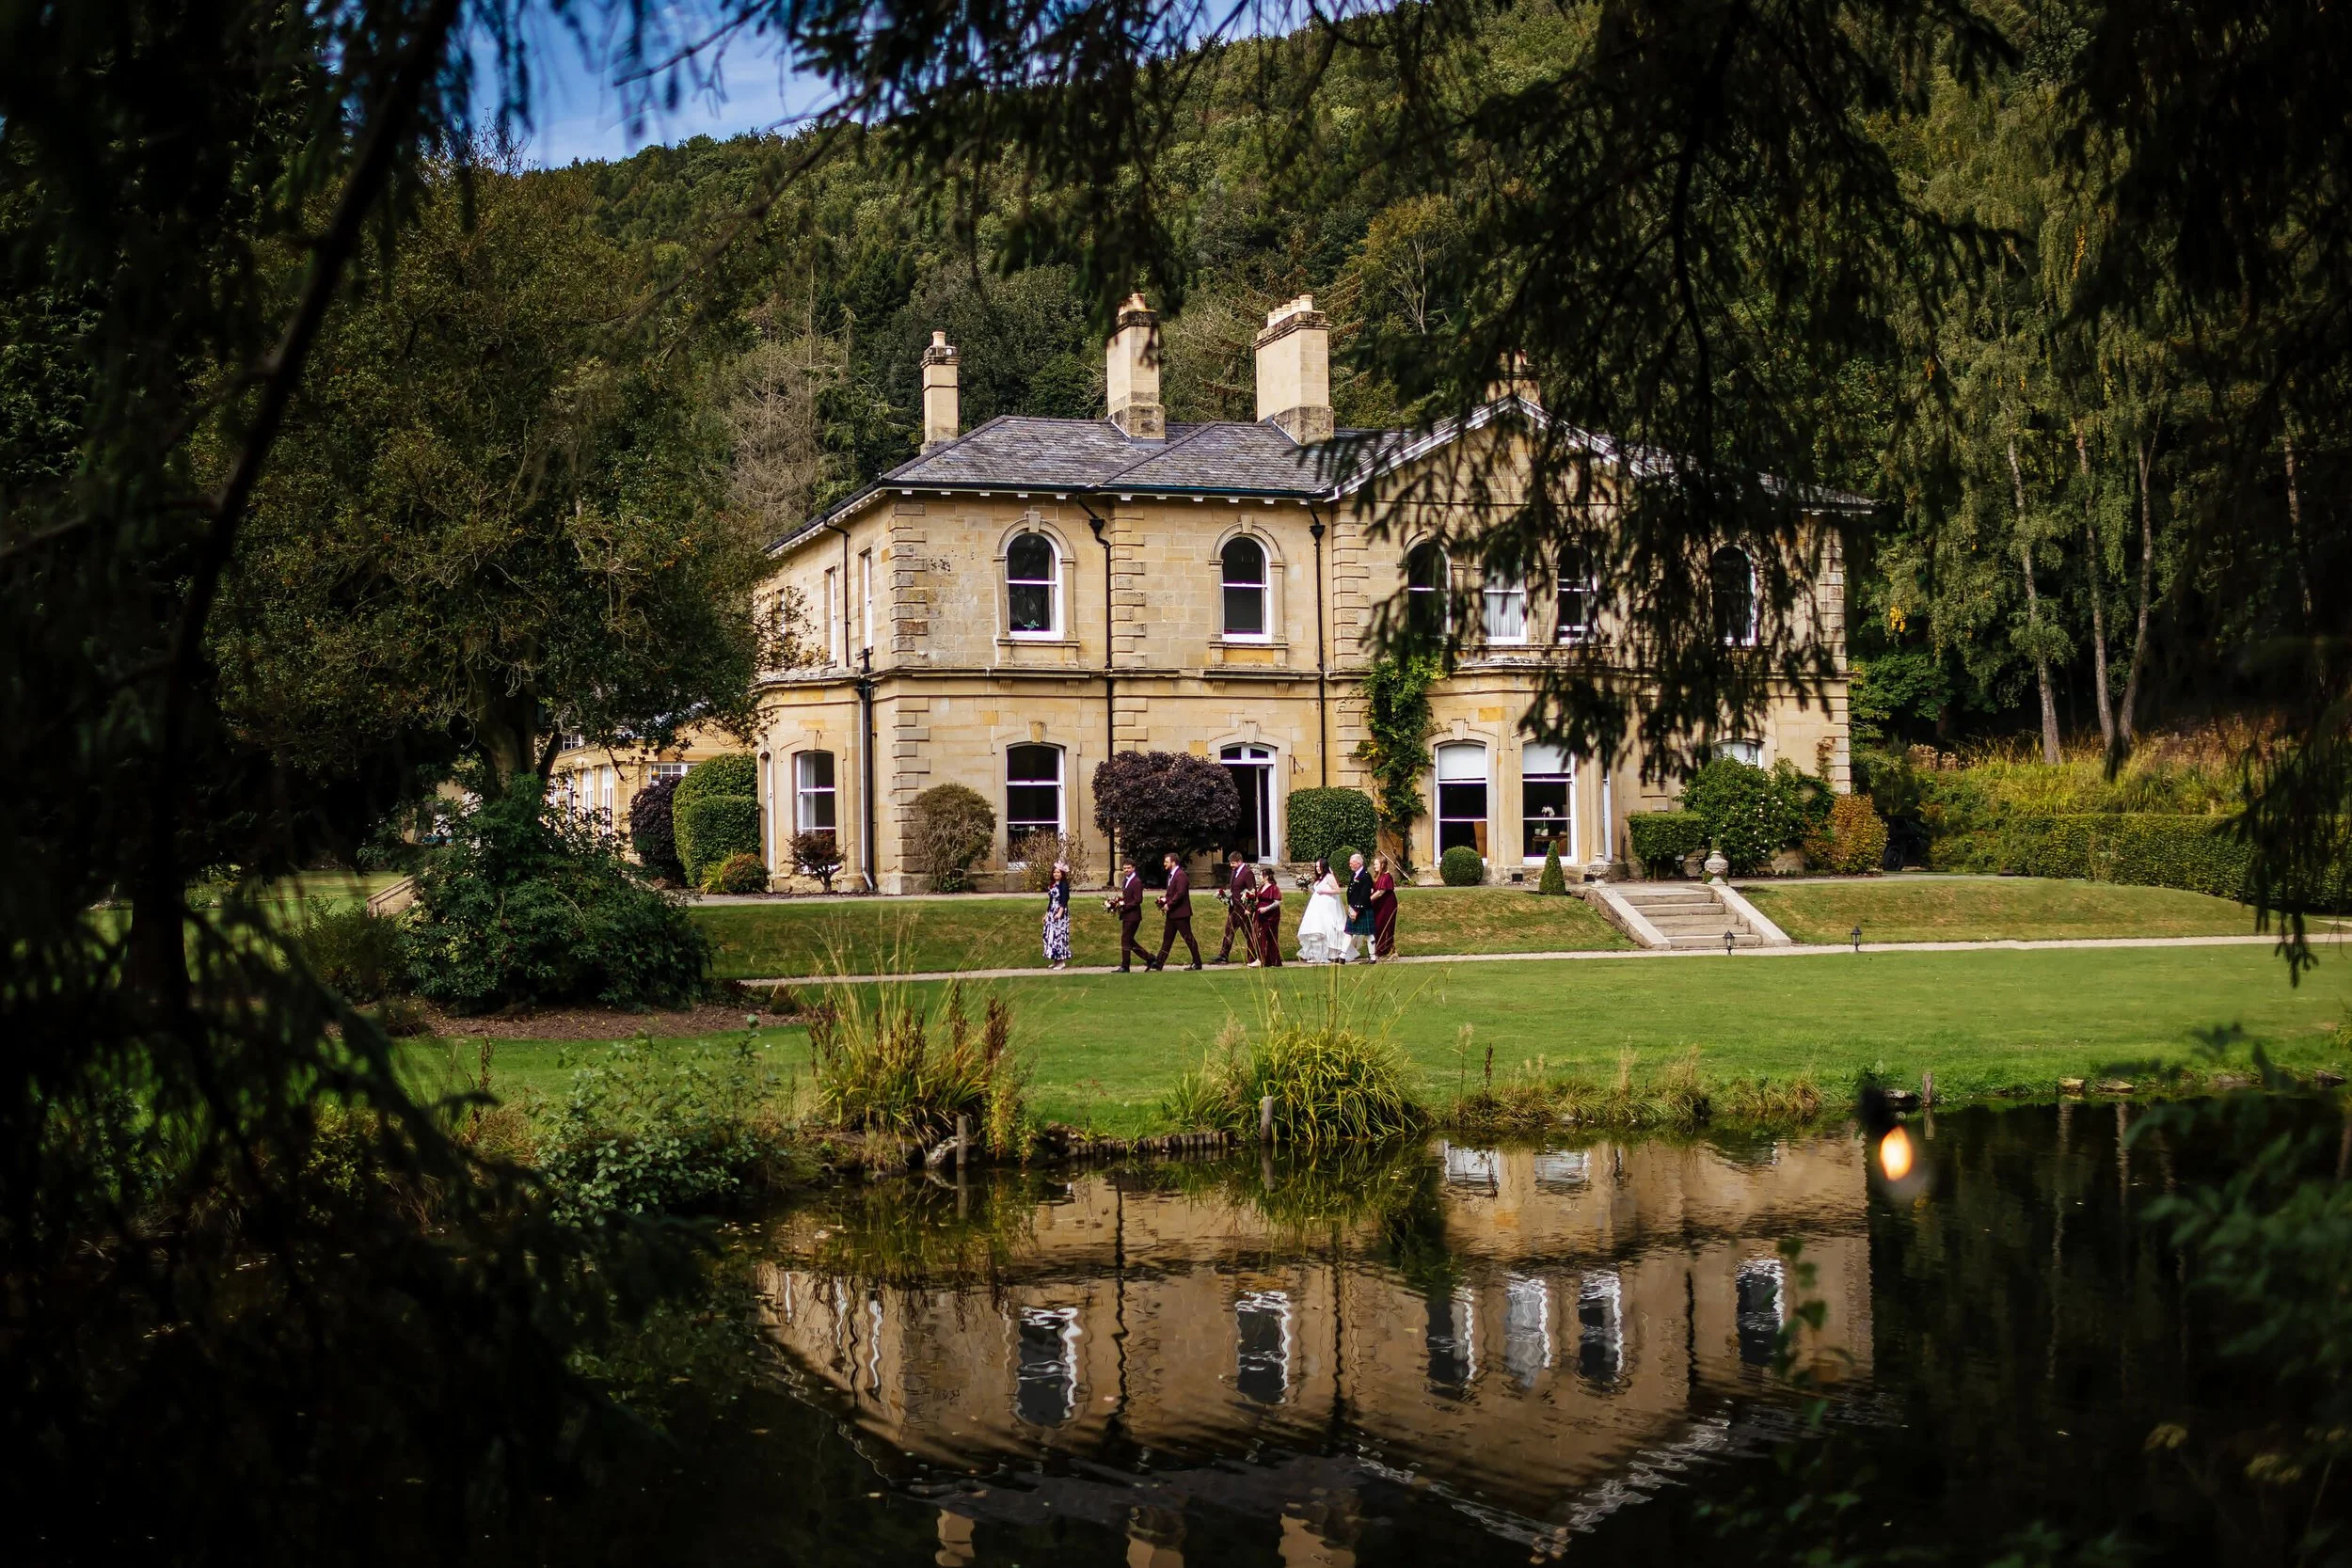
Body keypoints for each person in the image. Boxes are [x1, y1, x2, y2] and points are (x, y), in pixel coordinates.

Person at [1296, 856, 1352, 964]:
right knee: (1316, 928)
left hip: (1327, 906)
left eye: (1319, 866)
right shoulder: (1319, 878)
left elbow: (1337, 890)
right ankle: (1317, 955)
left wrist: (1325, 891)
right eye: (1316, 866)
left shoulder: (1329, 877)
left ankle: (1330, 954)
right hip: (1316, 907)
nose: (1317, 868)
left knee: (1327, 927)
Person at [1152, 851, 1202, 971]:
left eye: (1166, 862)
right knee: (1167, 939)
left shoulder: (1180, 875)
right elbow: (1173, 893)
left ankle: (1197, 962)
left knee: (1188, 938)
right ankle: (1159, 963)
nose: (1164, 864)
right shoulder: (1172, 875)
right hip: (1172, 914)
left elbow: (1180, 893)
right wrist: (1164, 900)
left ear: (1173, 863)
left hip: (1181, 914)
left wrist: (1169, 904)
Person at [1213, 851, 1258, 964]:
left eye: (1233, 863)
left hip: (1243, 909)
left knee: (1248, 934)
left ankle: (1253, 957)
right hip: (1233, 907)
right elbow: (1234, 889)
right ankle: (1223, 955)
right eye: (1230, 863)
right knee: (1228, 931)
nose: (1231, 865)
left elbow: (1252, 891)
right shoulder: (1234, 872)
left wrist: (1249, 908)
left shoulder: (1247, 873)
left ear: (1239, 861)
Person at [1114, 858, 1149, 973]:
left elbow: (1138, 900)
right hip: (1127, 915)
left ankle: (1125, 966)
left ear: (1133, 868)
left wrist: (1125, 906)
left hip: (1133, 915)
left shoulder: (1136, 882)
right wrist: (1117, 903)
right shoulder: (1126, 880)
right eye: (1124, 868)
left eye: (1129, 868)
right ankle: (1150, 959)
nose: (1126, 870)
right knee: (1128, 940)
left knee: (1125, 939)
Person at [1344, 851, 1377, 963]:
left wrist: (1356, 910)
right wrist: (1350, 907)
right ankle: (1342, 956)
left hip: (1363, 909)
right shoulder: (1355, 874)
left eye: (1351, 863)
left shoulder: (1365, 876)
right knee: (1348, 932)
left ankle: (1373, 957)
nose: (1350, 865)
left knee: (1368, 934)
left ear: (1358, 863)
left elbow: (1364, 895)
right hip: (1353, 907)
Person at [1250, 865, 1284, 967]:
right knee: (1260, 936)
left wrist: (1266, 909)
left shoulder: (1274, 888)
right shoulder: (1261, 887)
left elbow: (1277, 902)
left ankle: (1268, 960)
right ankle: (1264, 959)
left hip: (1270, 916)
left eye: (1261, 875)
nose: (1260, 877)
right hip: (1260, 914)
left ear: (1267, 876)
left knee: (1269, 937)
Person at [1041, 862, 1073, 970]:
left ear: (1062, 873)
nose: (1056, 874)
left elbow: (1065, 899)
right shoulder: (1053, 885)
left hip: (1060, 913)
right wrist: (1046, 915)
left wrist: (1060, 912)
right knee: (1051, 936)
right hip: (1052, 912)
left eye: (1058, 872)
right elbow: (1050, 901)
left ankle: (1061, 961)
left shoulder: (1064, 885)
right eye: (1054, 872)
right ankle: (1055, 960)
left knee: (1059, 936)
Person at [1371, 854, 1399, 958]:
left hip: (1387, 905)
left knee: (1384, 925)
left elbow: (1381, 892)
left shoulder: (1386, 877)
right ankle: (1385, 950)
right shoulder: (1379, 876)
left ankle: (1386, 950)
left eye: (1376, 864)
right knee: (1378, 925)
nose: (1374, 866)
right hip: (1379, 905)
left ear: (1382, 865)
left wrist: (1369, 900)